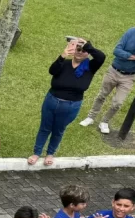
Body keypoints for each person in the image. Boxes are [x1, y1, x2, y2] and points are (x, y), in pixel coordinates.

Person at [29, 38, 105, 166]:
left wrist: (87, 46)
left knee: (58, 130)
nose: (80, 52)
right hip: (52, 100)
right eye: (78, 49)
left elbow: (101, 57)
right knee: (45, 128)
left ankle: (50, 153)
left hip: (71, 105)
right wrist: (62, 56)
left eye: (83, 50)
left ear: (88, 52)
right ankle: (37, 153)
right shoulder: (64, 63)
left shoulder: (90, 66)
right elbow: (52, 71)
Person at [81, 13, 135, 135]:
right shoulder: (131, 32)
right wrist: (132, 57)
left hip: (129, 76)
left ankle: (105, 121)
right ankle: (91, 117)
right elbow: (117, 50)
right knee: (102, 95)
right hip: (114, 70)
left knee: (118, 103)